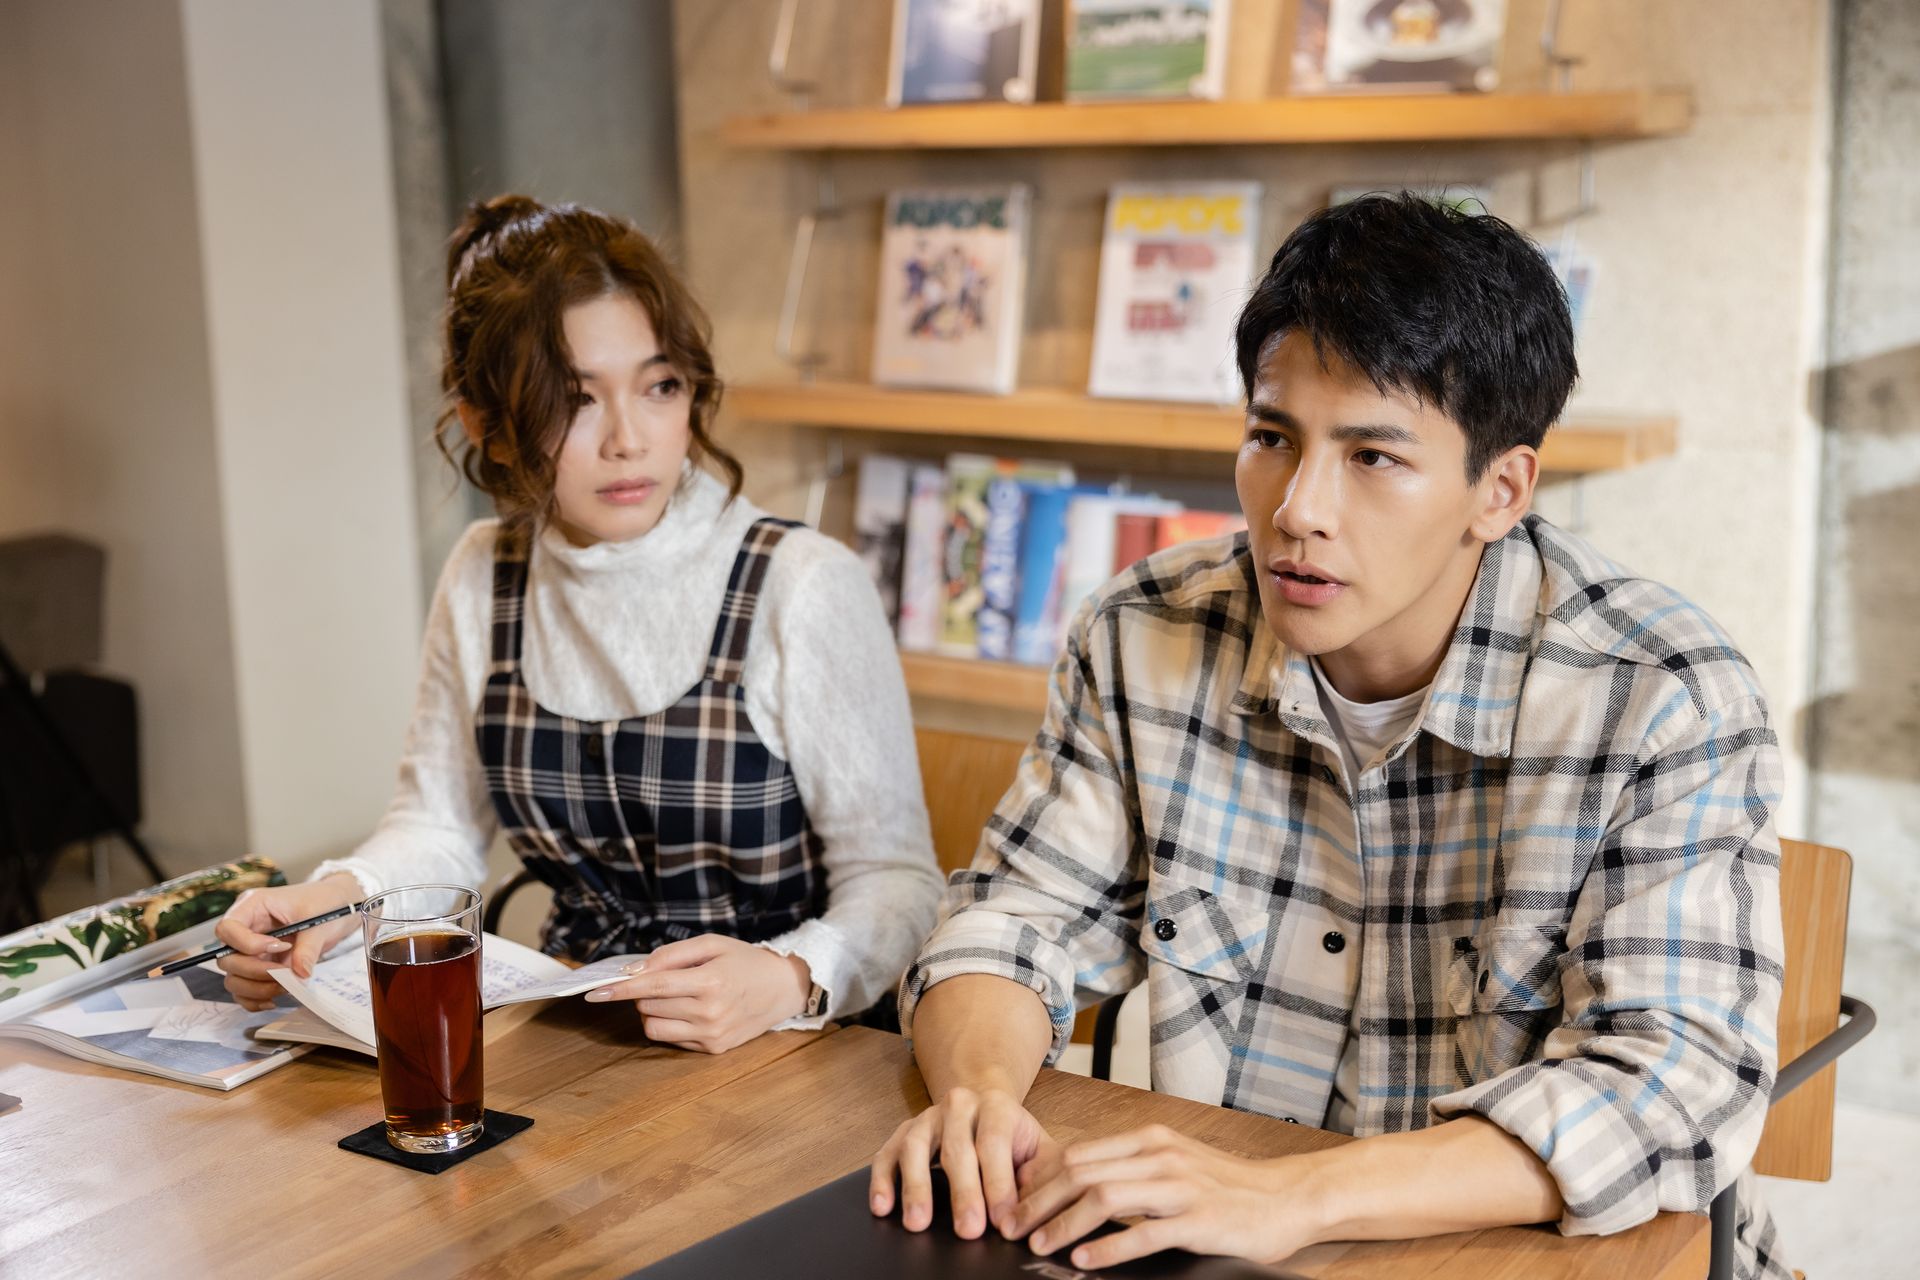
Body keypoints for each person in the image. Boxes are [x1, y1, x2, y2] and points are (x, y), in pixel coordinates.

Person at [870, 193, 1789, 1280]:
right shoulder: (1143, 628)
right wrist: (977, 1098)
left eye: (1372, 456)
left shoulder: (1662, 695)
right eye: (1273, 437)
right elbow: (1011, 920)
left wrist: (1288, 1195)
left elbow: (1669, 1088)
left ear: (1500, 490)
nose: (1297, 508)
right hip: (1217, 1245)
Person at [216, 195, 942, 1052]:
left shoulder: (802, 583)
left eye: (660, 386)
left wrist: (788, 974)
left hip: (789, 1040)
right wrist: (335, 900)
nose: (630, 439)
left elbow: (899, 882)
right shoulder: (486, 573)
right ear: (487, 425)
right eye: (576, 400)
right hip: (576, 1026)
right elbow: (440, 827)